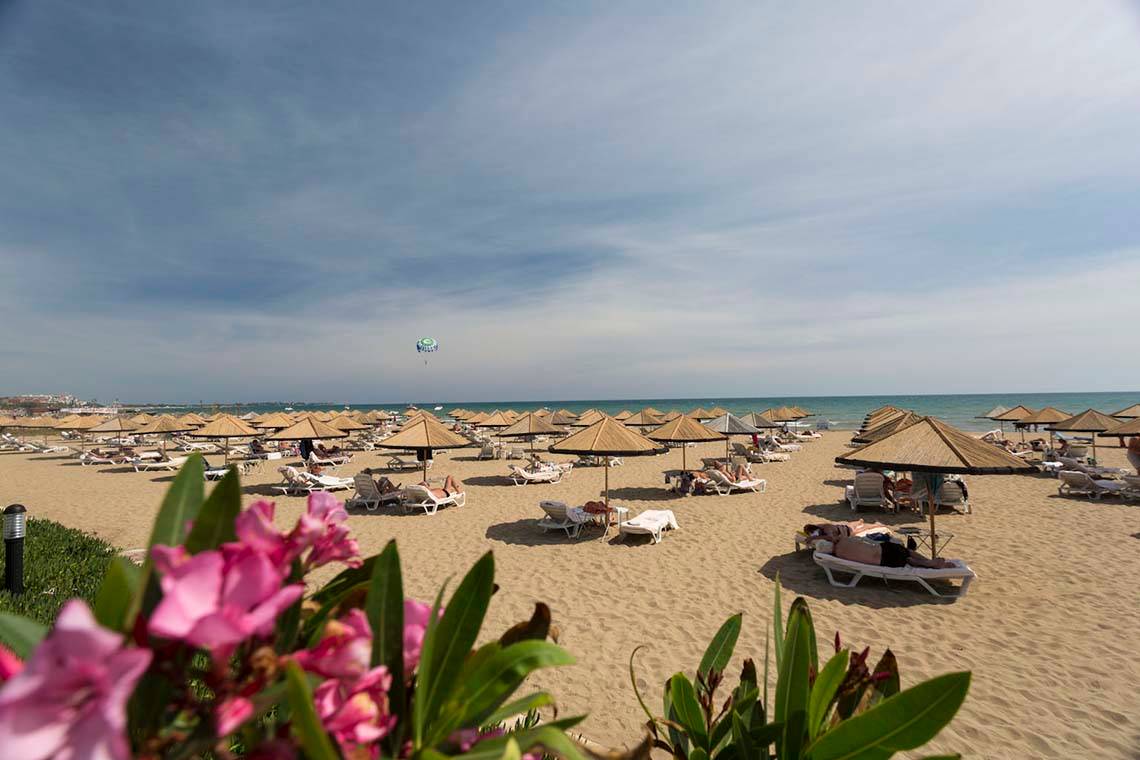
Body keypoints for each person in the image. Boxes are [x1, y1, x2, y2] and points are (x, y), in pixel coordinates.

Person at [816, 536, 955, 569]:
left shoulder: (839, 555)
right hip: (883, 548)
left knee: (906, 560)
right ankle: (928, 561)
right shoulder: (842, 540)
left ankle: (926, 564)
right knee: (907, 551)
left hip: (883, 562)